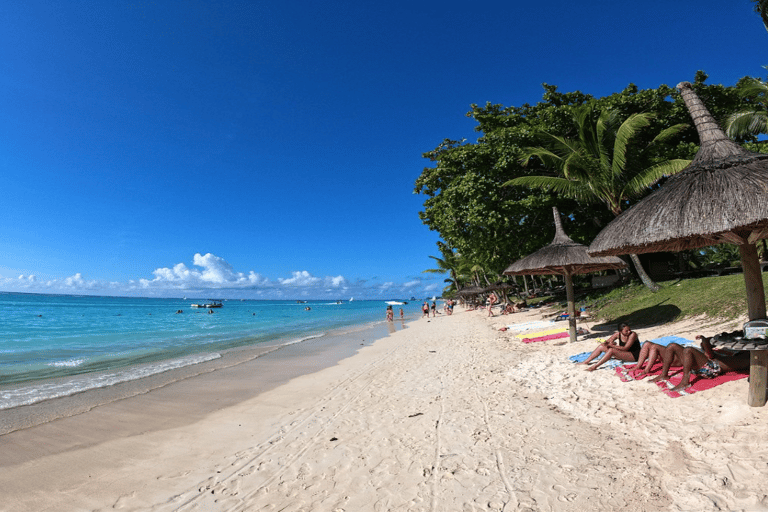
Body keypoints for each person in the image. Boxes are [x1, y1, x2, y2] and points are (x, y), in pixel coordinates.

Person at [650, 335, 750, 391]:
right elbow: (708, 351)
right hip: (702, 367)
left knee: (688, 350)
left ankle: (685, 381)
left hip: (712, 370)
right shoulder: (726, 351)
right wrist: (704, 341)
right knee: (672, 345)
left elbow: (710, 355)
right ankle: (664, 374)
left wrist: (703, 339)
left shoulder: (737, 357)